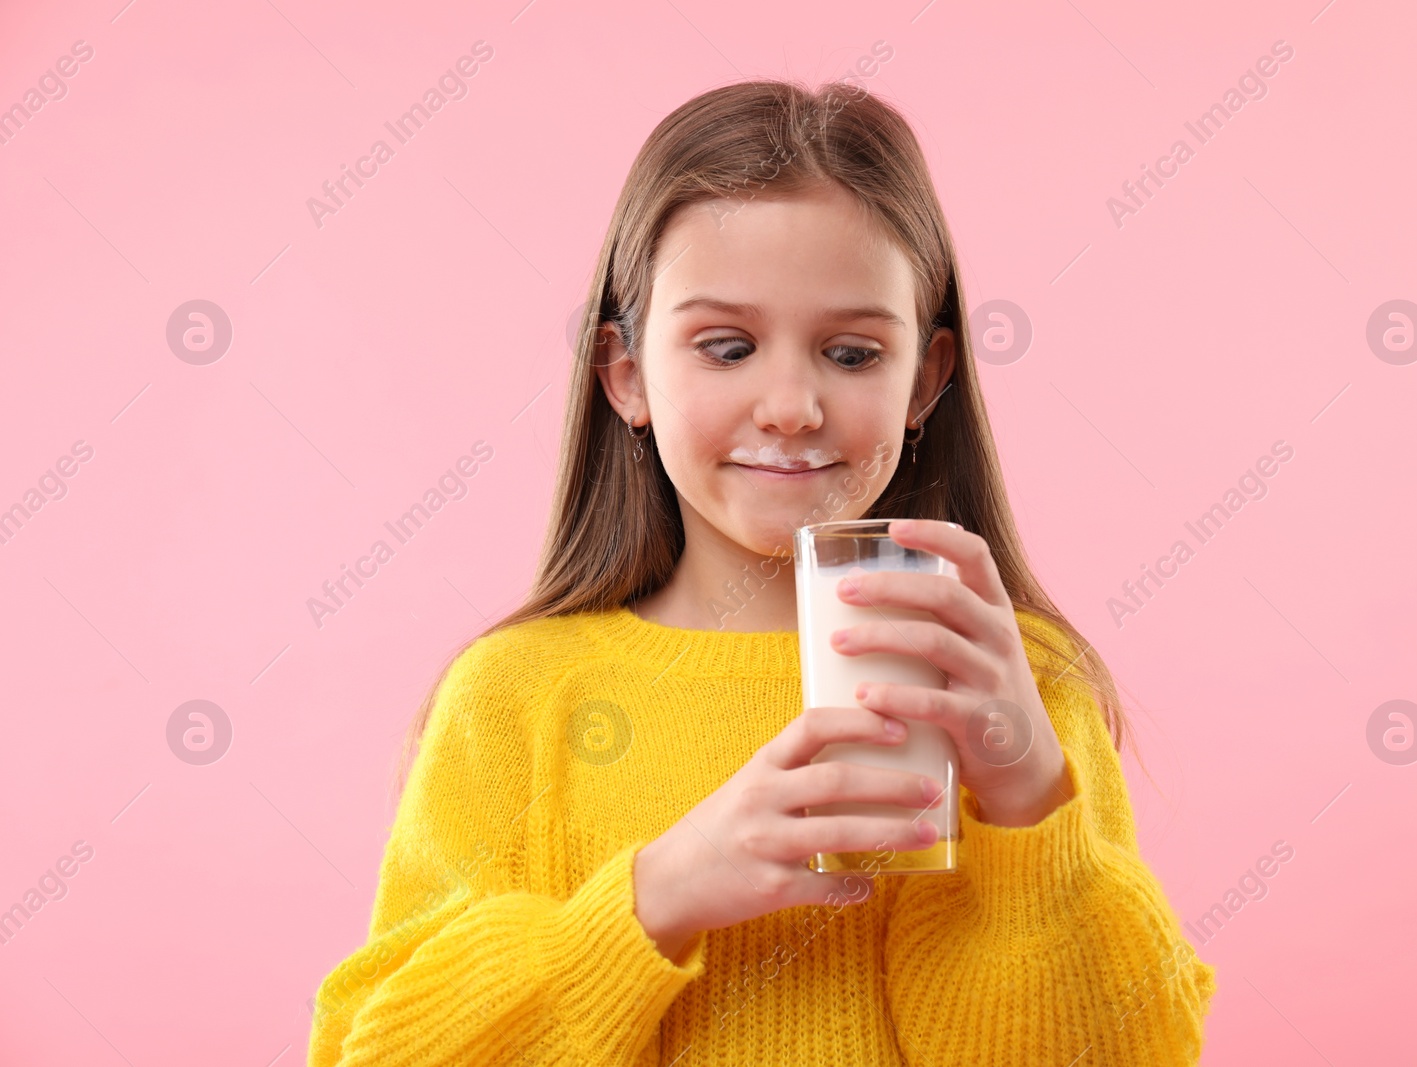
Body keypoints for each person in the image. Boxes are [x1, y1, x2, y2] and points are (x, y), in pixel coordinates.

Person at [307, 78, 1215, 1066]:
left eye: (853, 352)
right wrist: (655, 896)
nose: (789, 405)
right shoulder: (515, 698)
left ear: (926, 379)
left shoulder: (1012, 682)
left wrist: (1028, 795)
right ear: (626, 376)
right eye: (727, 346)